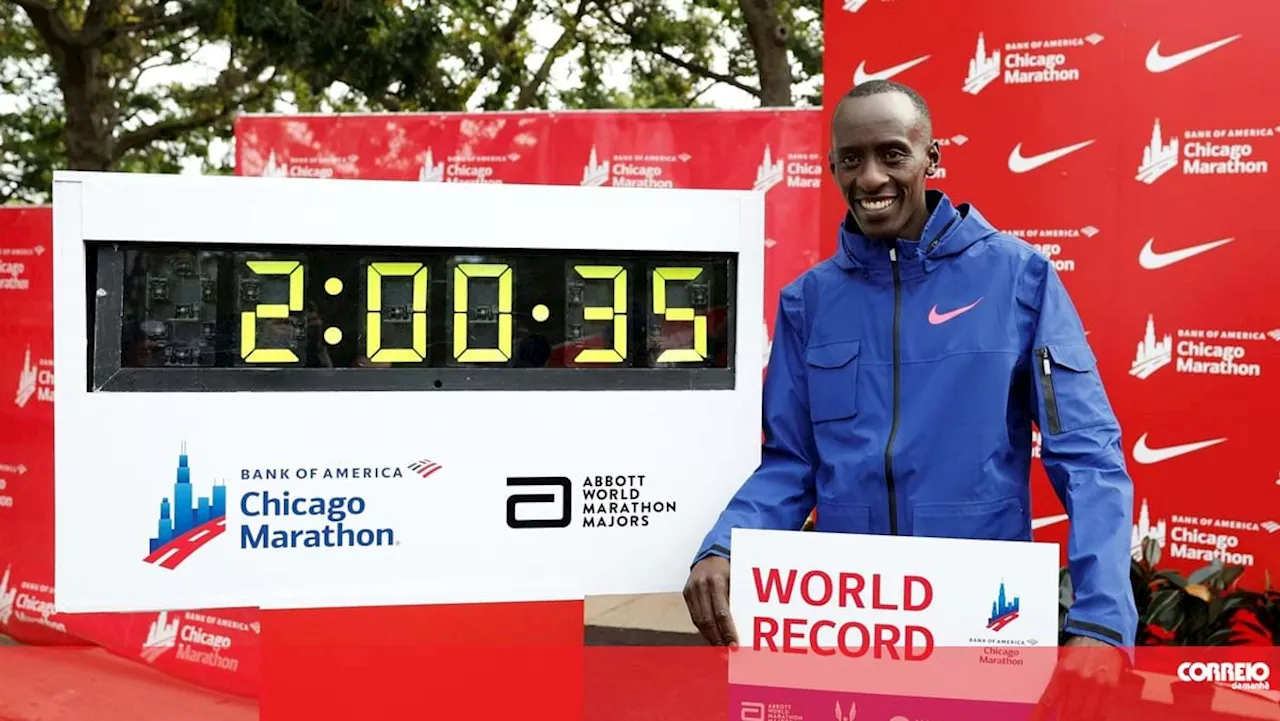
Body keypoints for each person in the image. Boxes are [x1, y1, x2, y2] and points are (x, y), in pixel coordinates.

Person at [683, 80, 1136, 717]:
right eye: (851, 158)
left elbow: (1087, 458)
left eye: (892, 154)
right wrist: (725, 544)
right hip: (846, 619)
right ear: (833, 165)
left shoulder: (1019, 278)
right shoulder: (807, 302)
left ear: (932, 157)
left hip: (981, 621)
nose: (870, 177)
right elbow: (791, 460)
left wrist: (1103, 619)